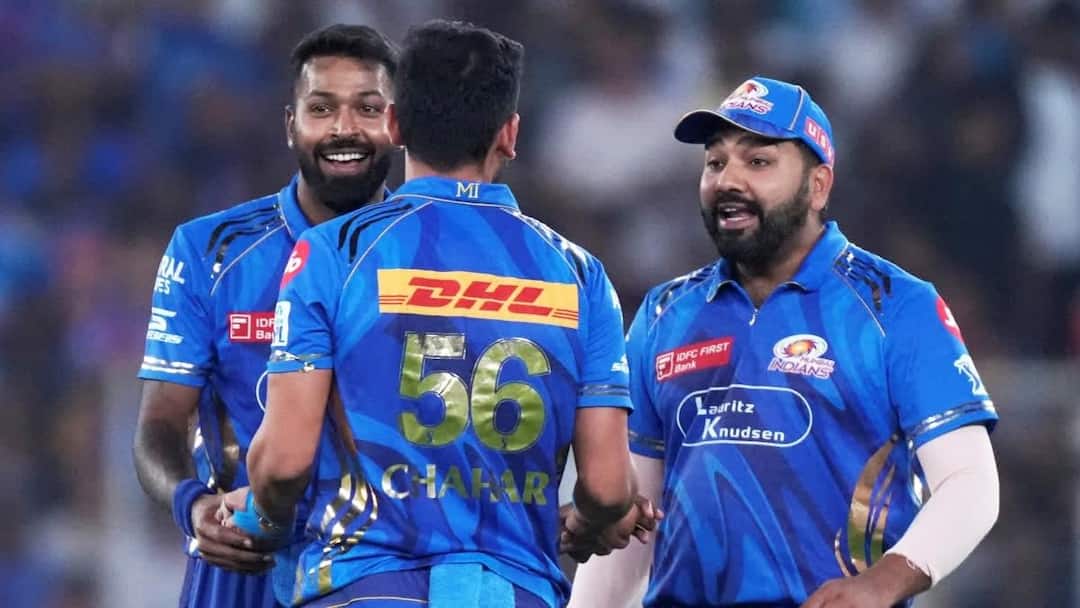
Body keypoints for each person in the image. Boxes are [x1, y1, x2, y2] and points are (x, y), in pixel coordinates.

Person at [231, 19, 650, 608]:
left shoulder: (333, 253)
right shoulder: (580, 274)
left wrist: (259, 520)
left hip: (366, 586)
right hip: (516, 590)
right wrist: (589, 521)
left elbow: (282, 464)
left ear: (395, 124)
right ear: (509, 134)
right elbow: (607, 488)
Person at [568, 76, 1001, 607]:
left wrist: (880, 584)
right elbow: (633, 526)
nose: (728, 180)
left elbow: (970, 483)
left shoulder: (895, 305)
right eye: (715, 162)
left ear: (818, 186)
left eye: (758, 162)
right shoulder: (664, 314)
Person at [133, 24, 398, 608]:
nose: (344, 128)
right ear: (290, 125)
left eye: (367, 108)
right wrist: (193, 506)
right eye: (321, 108)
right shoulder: (209, 251)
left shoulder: (430, 258)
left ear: (396, 125)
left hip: (383, 572)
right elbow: (159, 421)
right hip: (242, 562)